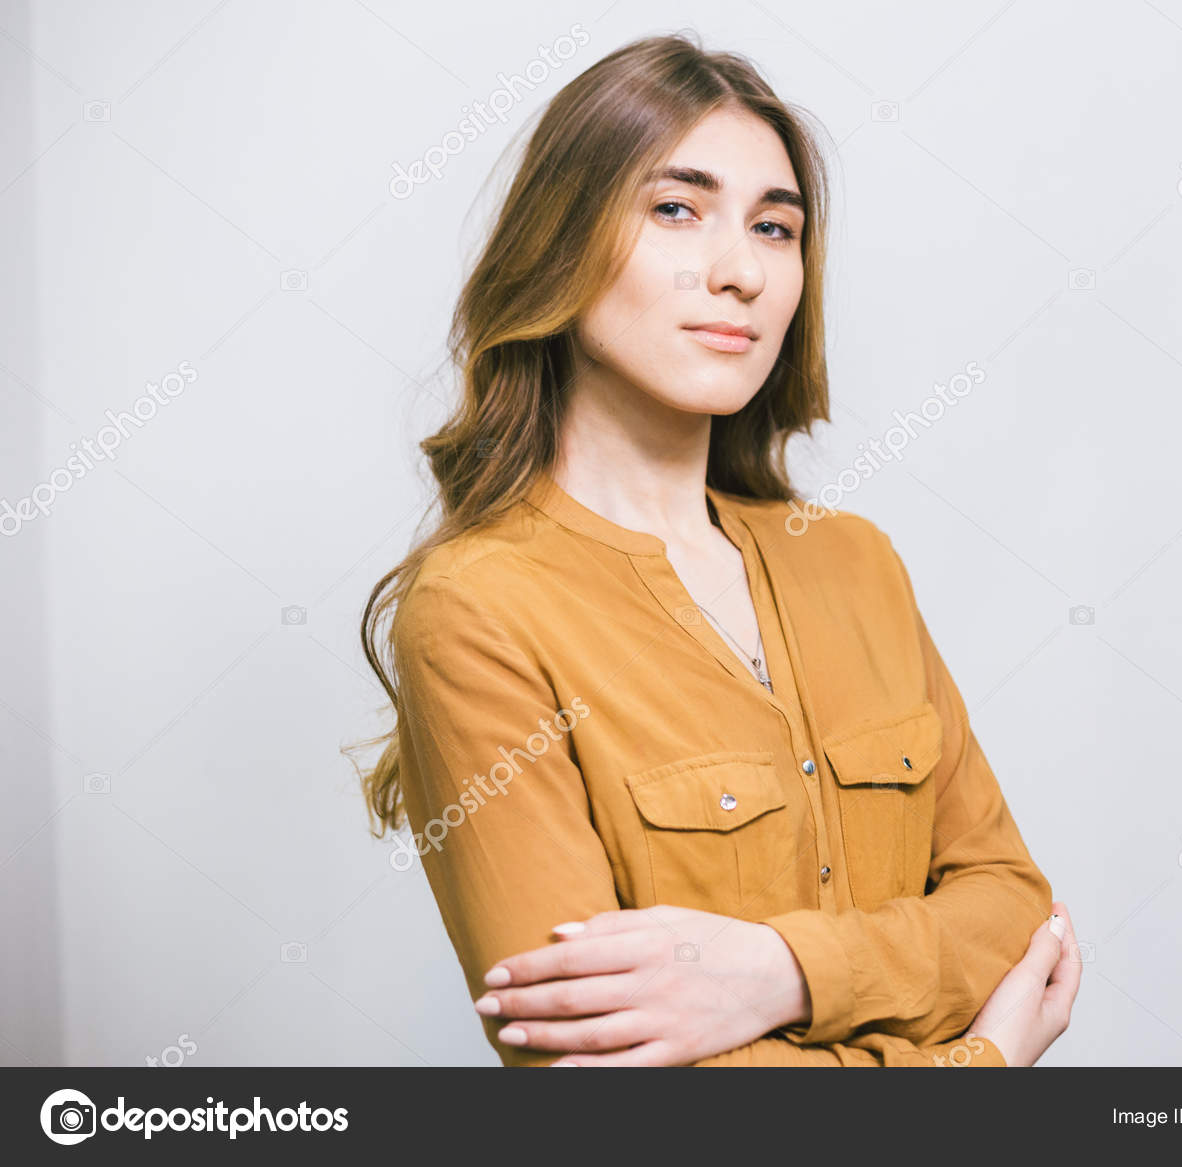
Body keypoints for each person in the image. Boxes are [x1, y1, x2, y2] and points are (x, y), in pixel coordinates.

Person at [355, 32, 1081, 1067]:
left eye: (775, 228)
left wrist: (778, 971)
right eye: (675, 209)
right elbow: (598, 1074)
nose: (740, 271)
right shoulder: (477, 612)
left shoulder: (855, 564)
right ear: (560, 243)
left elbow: (1016, 914)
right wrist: (975, 1064)